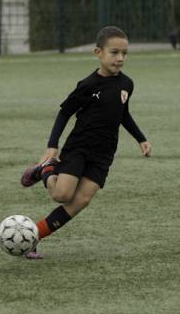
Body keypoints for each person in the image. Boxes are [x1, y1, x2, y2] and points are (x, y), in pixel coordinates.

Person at [19, 26, 151, 259]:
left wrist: (141, 139)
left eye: (124, 53)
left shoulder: (127, 84)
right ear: (98, 52)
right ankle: (46, 169)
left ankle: (34, 236)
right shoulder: (88, 85)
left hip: (104, 154)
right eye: (114, 52)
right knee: (62, 195)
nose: (120, 58)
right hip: (79, 148)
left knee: (81, 200)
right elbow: (64, 113)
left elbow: (123, 114)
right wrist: (52, 145)